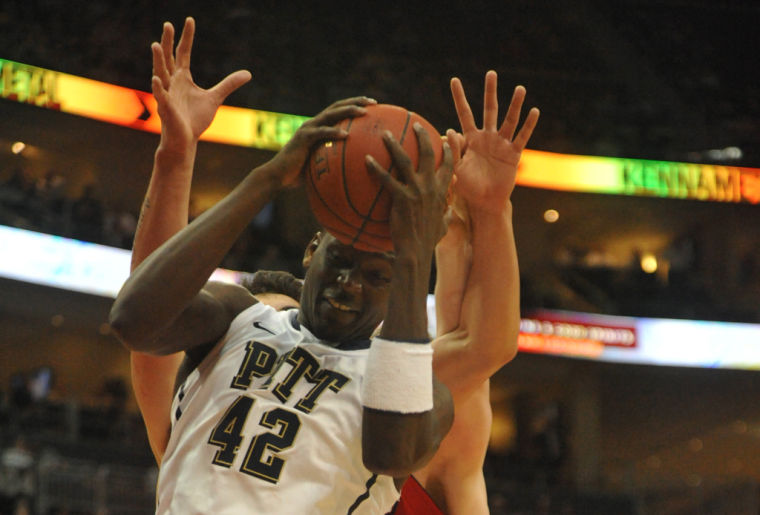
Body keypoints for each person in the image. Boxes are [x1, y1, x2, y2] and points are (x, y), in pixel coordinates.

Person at [126, 18, 538, 514]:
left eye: (374, 275)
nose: (347, 285)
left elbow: (466, 363)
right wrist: (248, 171)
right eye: (339, 261)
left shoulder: (404, 384)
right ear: (311, 249)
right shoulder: (231, 329)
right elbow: (138, 314)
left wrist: (465, 227)